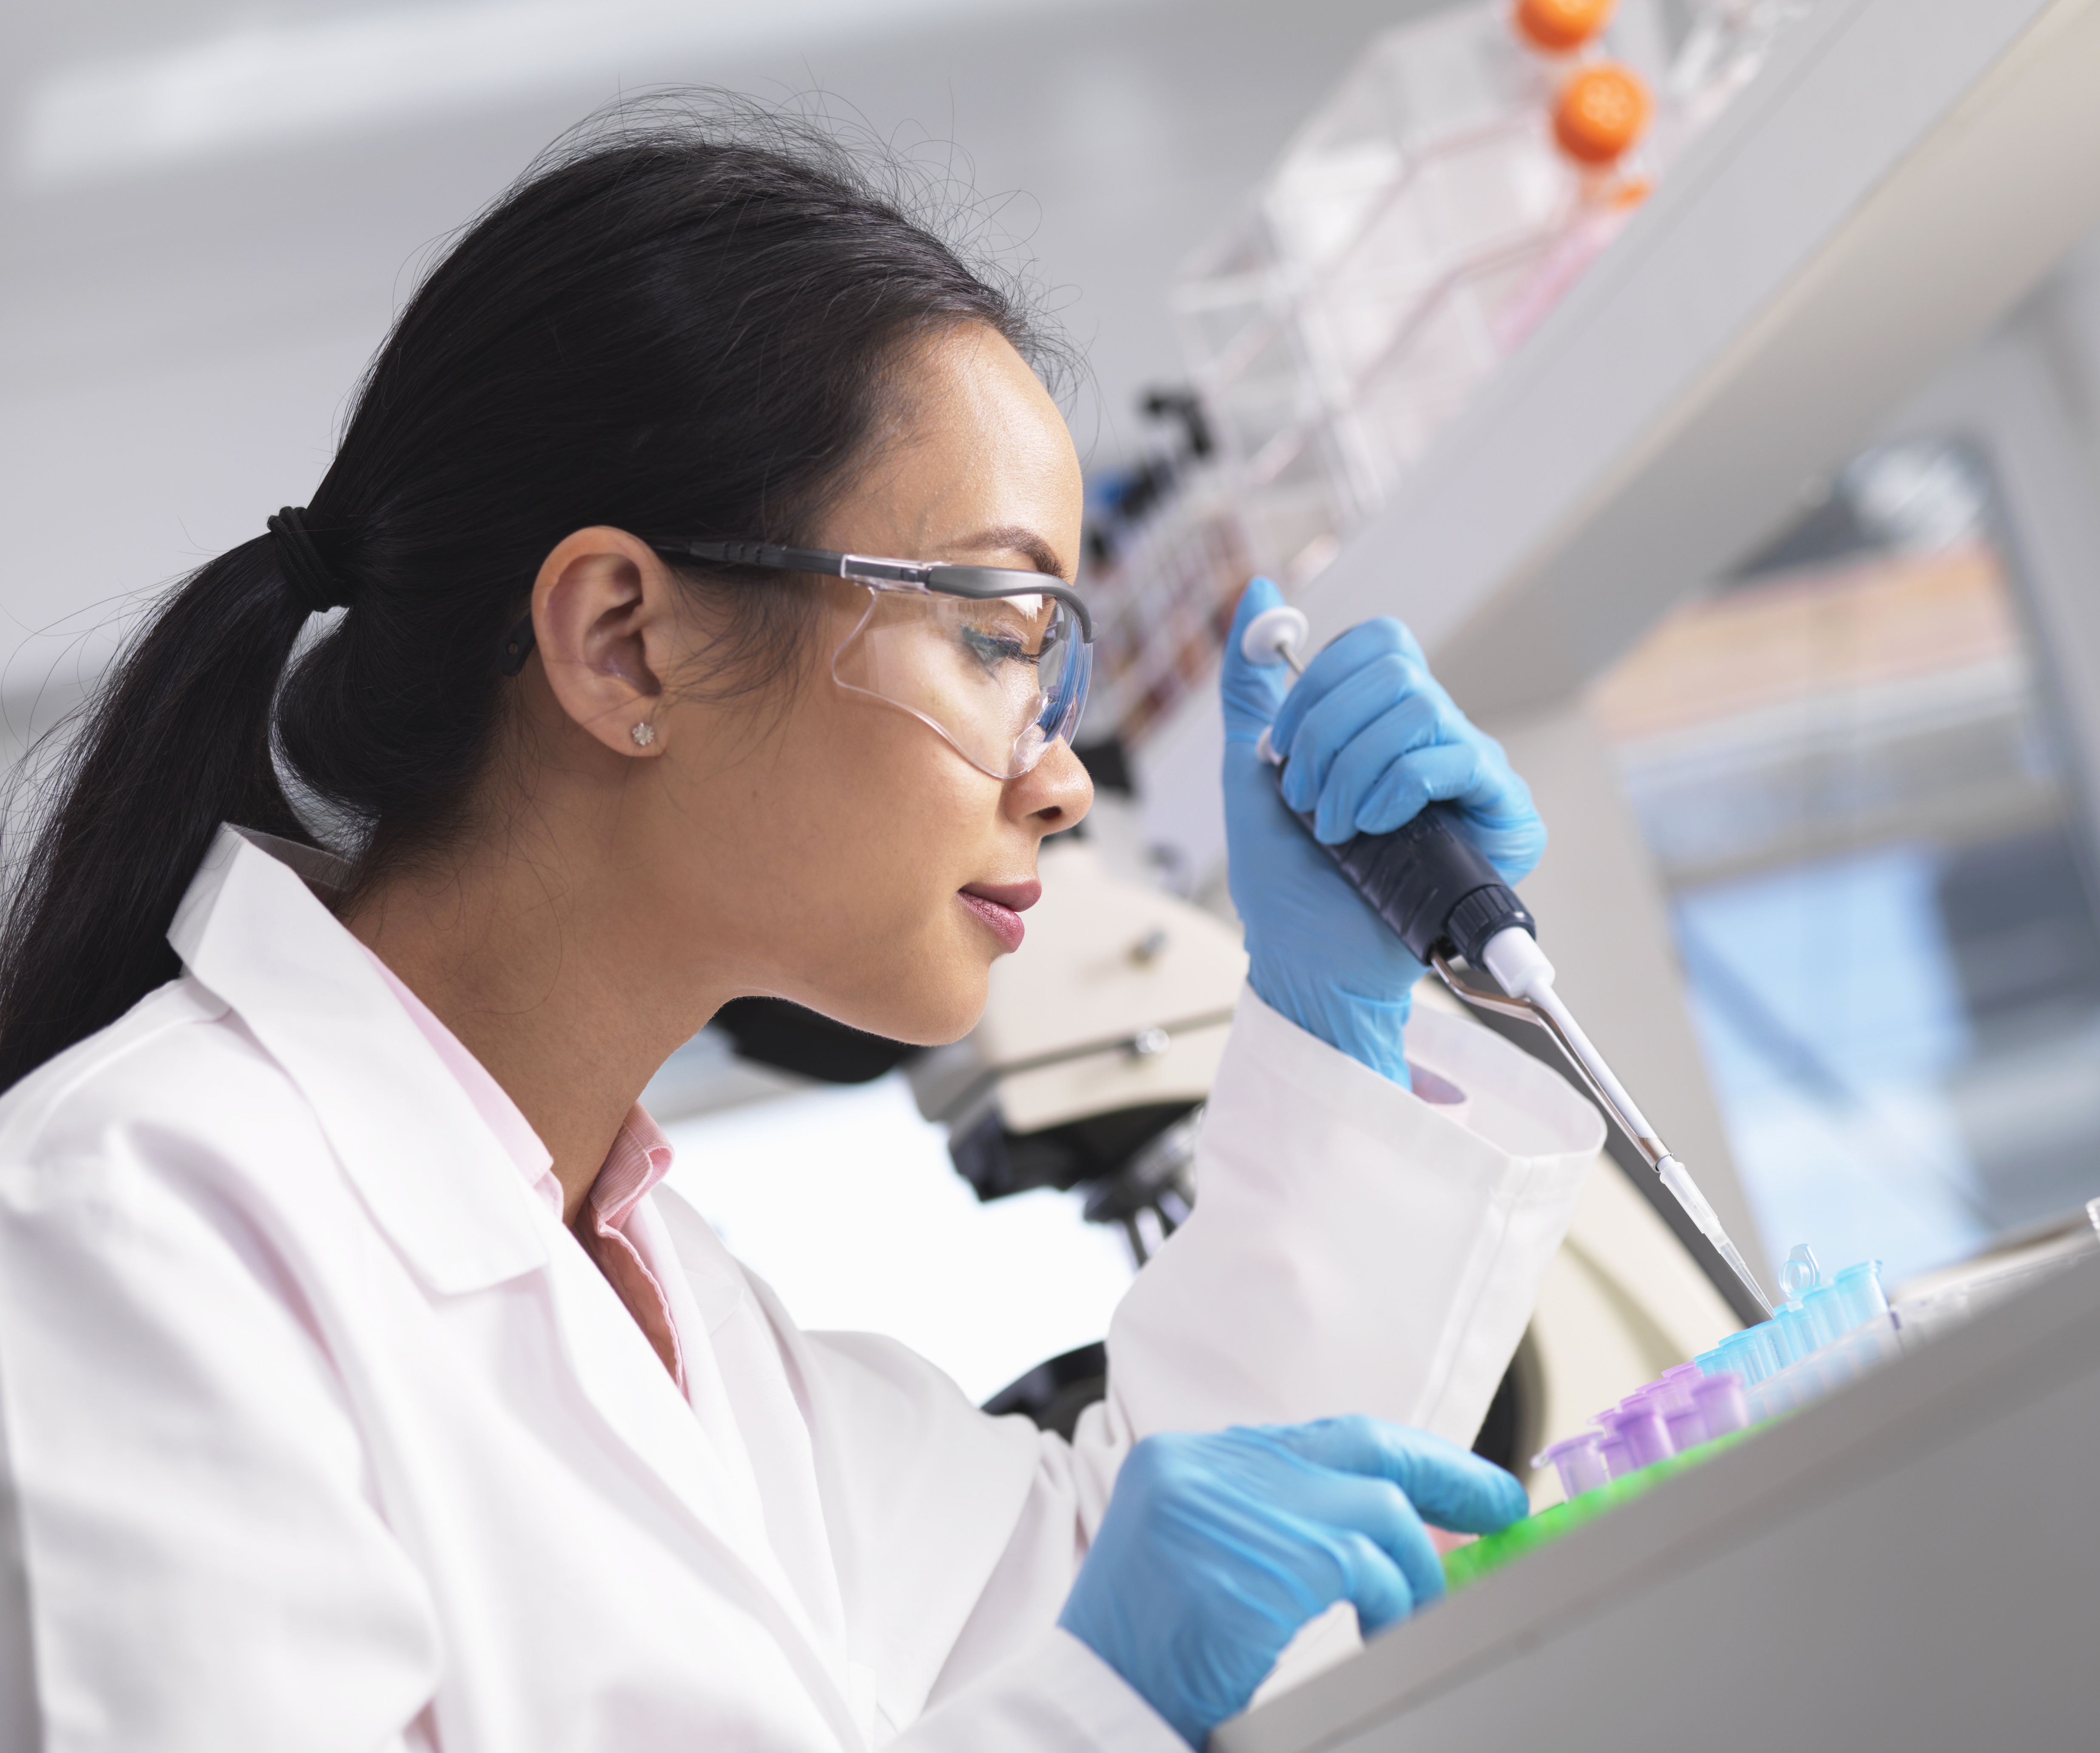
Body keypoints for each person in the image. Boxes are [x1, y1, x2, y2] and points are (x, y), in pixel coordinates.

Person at [0, 103, 1603, 1751]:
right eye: (995, 635)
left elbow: (1162, 1569)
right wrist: (1101, 1700)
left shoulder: (683, 1312)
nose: (1058, 779)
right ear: (625, 644)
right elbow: (1102, 1671)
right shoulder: (133, 1230)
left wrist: (1328, 1032)